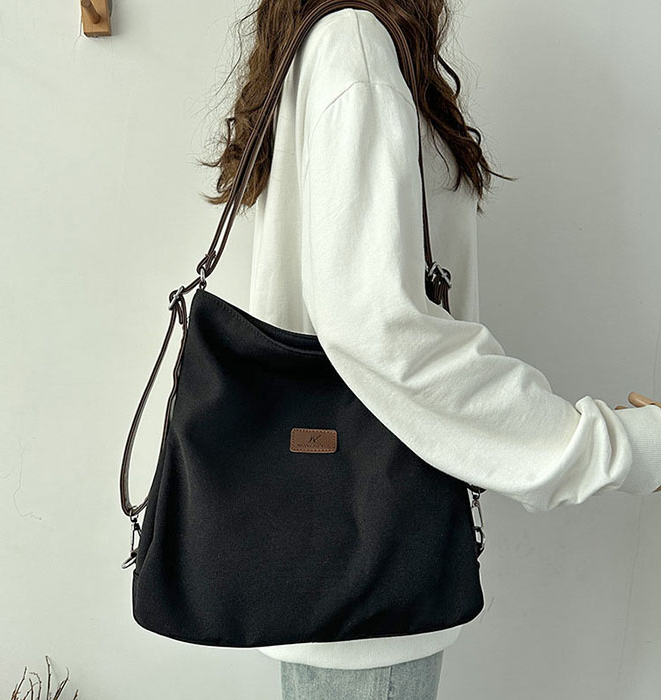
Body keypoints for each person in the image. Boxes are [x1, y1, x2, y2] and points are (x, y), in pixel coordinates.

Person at [200, 2, 661, 697]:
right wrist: (626, 446)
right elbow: (384, 334)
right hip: (366, 565)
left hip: (342, 554)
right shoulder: (355, 43)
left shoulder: (327, 42)